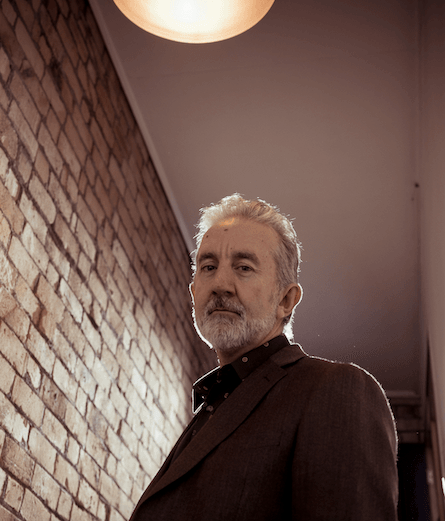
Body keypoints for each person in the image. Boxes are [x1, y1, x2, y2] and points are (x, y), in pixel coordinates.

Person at [130, 194, 398, 520]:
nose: (220, 285)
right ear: (193, 292)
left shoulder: (339, 389)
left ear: (286, 300)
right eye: (209, 267)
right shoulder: (210, 408)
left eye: (244, 267)